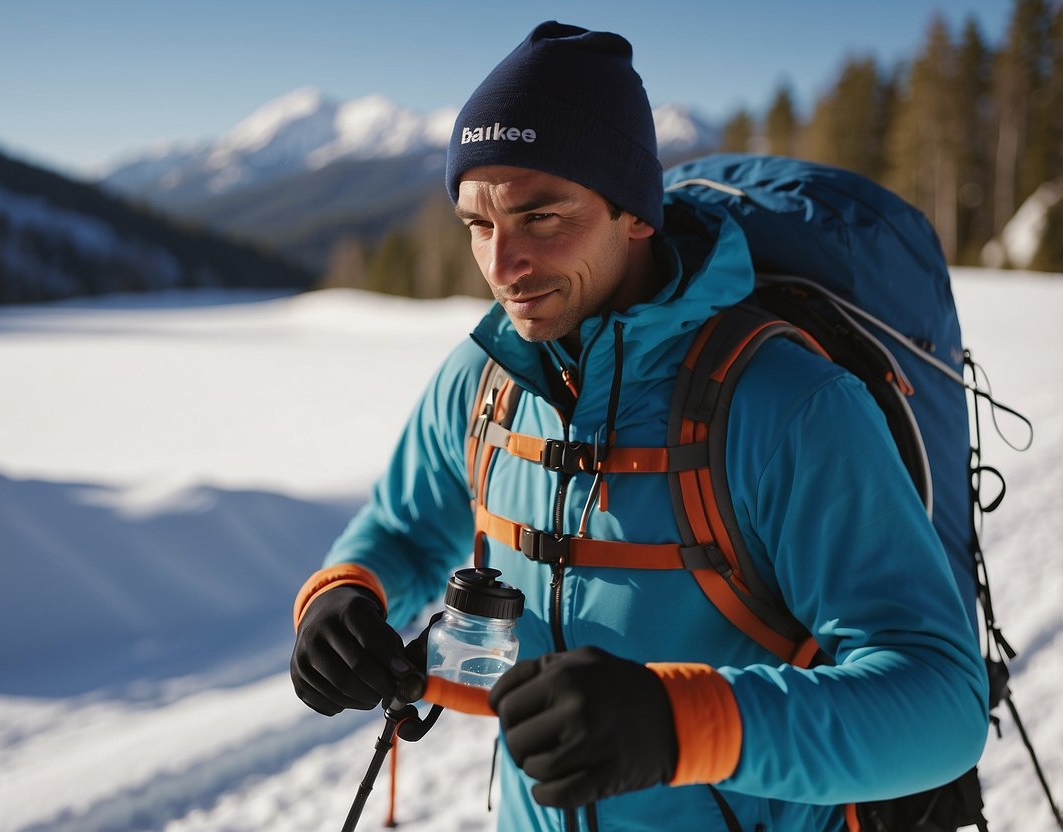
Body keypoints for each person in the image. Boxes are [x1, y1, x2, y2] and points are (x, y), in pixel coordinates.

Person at [290, 21, 988, 832]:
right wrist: (342, 597)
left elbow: (939, 702)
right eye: (478, 224)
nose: (502, 267)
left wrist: (680, 722)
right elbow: (406, 531)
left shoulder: (785, 405)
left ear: (635, 214)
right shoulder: (484, 380)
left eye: (541, 217)